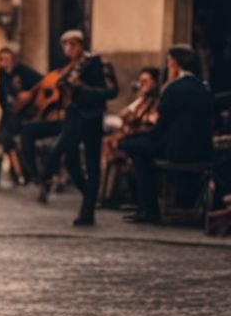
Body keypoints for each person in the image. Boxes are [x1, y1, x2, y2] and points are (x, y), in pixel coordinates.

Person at [119, 46, 216, 224]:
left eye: (168, 64)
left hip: (178, 150)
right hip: (203, 150)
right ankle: (146, 206)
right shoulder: (204, 88)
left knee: (132, 146)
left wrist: (138, 137)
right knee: (138, 147)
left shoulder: (173, 89)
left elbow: (160, 128)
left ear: (175, 65)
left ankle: (148, 208)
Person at [37, 30, 118, 226]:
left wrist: (81, 86)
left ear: (81, 45)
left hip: (91, 116)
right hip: (73, 116)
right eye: (65, 45)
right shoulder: (69, 67)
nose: (69, 49)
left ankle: (87, 210)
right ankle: (88, 195)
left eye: (73, 44)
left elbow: (110, 91)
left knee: (91, 163)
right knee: (70, 158)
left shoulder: (98, 63)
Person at [98, 67, 160, 204]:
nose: (142, 84)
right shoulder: (141, 98)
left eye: (146, 81)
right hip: (129, 136)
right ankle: (106, 193)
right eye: (140, 81)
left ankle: (114, 194)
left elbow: (147, 119)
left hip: (141, 137)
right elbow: (124, 113)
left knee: (116, 148)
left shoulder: (156, 101)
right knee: (108, 143)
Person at [0, 47, 42, 187]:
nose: (3, 62)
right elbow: (3, 94)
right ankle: (18, 174)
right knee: (6, 141)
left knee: (19, 142)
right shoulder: (2, 74)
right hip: (10, 113)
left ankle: (28, 174)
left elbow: (41, 81)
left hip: (24, 114)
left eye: (6, 59)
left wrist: (29, 95)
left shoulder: (22, 71)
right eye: (0, 59)